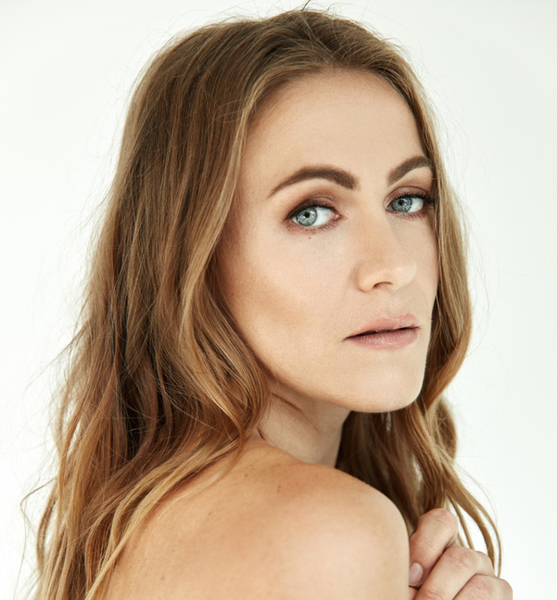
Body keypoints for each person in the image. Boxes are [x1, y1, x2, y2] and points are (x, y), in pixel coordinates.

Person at [34, 8, 512, 600]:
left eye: (407, 200)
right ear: (193, 260)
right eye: (311, 212)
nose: (393, 266)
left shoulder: (144, 522)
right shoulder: (326, 533)